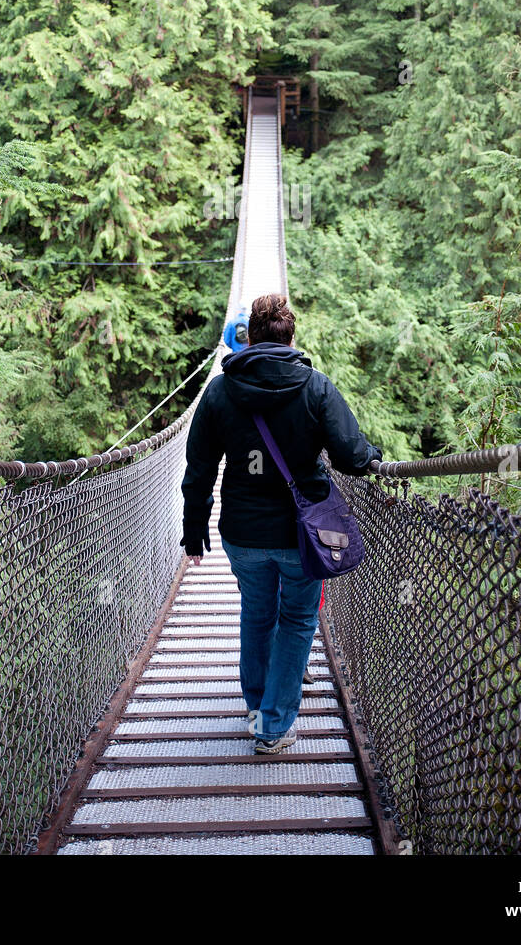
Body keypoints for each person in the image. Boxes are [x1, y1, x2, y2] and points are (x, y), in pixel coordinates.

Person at [179, 292, 381, 754]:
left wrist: (194, 531)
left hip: (242, 534)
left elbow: (199, 470)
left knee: (257, 612)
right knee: (296, 620)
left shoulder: (219, 390)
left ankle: (256, 707)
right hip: (303, 534)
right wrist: (373, 457)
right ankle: (273, 726)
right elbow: (352, 457)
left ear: (249, 337)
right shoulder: (316, 386)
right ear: (292, 337)